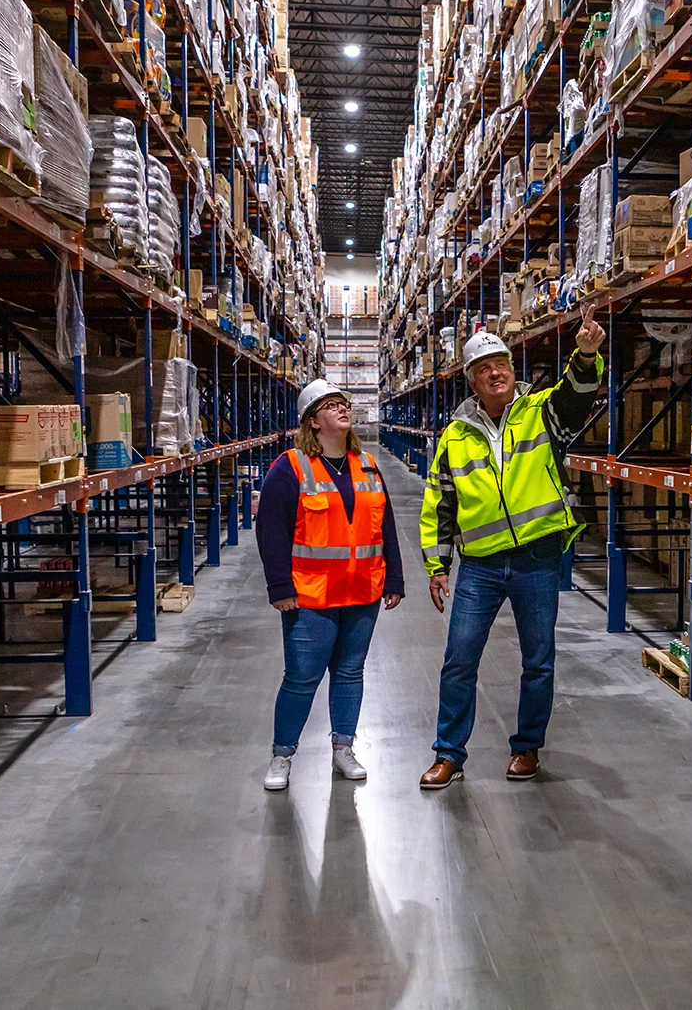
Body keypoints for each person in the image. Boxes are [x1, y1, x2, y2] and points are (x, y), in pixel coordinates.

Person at [418, 312, 607, 788]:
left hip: (536, 558)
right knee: (459, 659)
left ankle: (527, 748)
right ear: (472, 382)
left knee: (538, 660)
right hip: (479, 565)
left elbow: (577, 396)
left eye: (500, 363)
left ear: (511, 368)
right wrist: (437, 565)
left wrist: (586, 356)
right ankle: (448, 754)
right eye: (484, 368)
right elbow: (440, 502)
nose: (495, 373)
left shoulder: (541, 411)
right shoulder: (454, 436)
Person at [255, 379, 404, 790]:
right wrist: (279, 587)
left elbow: (386, 525)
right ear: (313, 421)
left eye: (344, 403)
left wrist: (394, 577)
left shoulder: (367, 464)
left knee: (350, 673)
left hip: (363, 592)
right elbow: (271, 530)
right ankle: (282, 755)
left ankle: (343, 749)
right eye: (332, 404)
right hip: (310, 596)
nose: (343, 409)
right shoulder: (291, 467)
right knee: (301, 677)